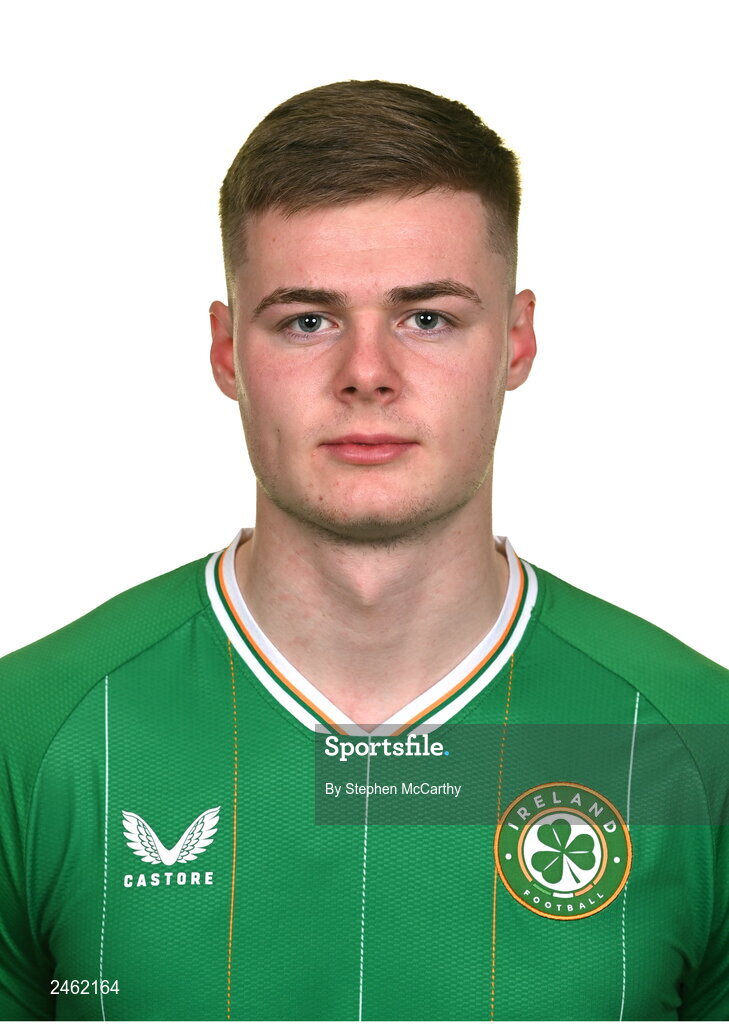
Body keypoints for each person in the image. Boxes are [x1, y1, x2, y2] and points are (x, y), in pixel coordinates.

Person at [0, 79, 727, 1024]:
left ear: (515, 339)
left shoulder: (695, 744)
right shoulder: (32, 736)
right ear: (226, 351)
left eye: (427, 317)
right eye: (308, 320)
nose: (367, 375)